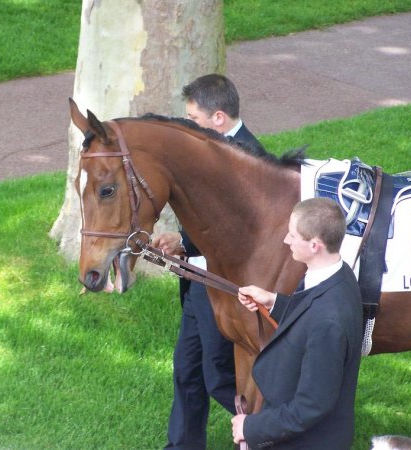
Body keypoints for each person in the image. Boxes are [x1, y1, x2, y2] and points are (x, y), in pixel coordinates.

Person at [153, 73, 265, 450]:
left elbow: (236, 231)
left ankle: (267, 431)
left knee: (218, 375)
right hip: (200, 281)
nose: (189, 126)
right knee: (187, 371)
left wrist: (185, 244)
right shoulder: (210, 150)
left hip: (226, 287)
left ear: (218, 118)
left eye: (193, 119)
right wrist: (183, 242)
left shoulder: (248, 158)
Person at [232, 197, 363, 449]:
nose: (286, 240)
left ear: (315, 245)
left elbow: (311, 406)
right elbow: (311, 313)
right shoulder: (338, 274)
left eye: (293, 235)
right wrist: (275, 303)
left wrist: (250, 427)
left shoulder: (329, 322)